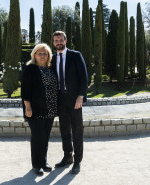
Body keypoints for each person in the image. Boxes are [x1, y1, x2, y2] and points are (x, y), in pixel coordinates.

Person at [51, 31, 88, 174]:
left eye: (61, 39)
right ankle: (67, 157)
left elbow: (84, 78)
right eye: (56, 40)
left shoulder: (75, 55)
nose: (58, 42)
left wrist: (80, 97)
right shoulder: (53, 58)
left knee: (77, 130)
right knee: (64, 130)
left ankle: (77, 161)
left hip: (74, 100)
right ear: (53, 43)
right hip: (60, 100)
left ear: (65, 41)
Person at [21, 43, 58, 176]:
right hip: (35, 109)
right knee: (38, 136)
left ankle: (43, 161)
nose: (42, 56)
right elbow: (25, 89)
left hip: (50, 108)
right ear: (34, 55)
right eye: (40, 53)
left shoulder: (51, 68)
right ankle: (36, 165)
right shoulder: (30, 68)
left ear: (48, 55)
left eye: (45, 53)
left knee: (46, 136)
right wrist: (27, 106)